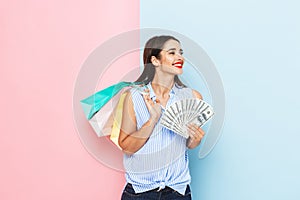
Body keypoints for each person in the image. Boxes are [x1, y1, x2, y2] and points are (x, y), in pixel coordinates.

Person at [118, 35, 205, 199]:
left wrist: (196, 139)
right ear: (155, 61)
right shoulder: (134, 96)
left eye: (181, 52)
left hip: (177, 192)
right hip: (140, 192)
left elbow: (189, 144)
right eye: (172, 53)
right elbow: (127, 147)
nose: (180, 57)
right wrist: (152, 121)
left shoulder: (192, 97)